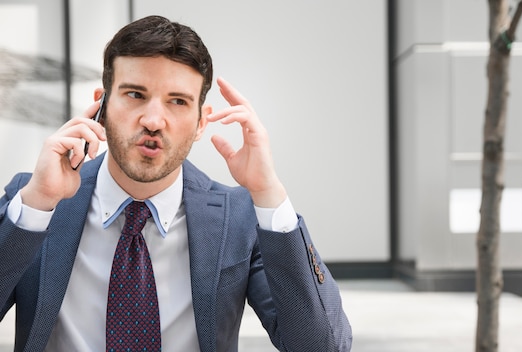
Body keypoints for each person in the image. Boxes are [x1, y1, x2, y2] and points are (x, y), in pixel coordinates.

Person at [0, 15, 352, 352]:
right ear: (101, 107)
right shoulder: (36, 201)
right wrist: (36, 206)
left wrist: (268, 194)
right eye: (135, 94)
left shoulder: (239, 216)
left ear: (201, 123)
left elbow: (322, 346)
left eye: (178, 102)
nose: (154, 120)